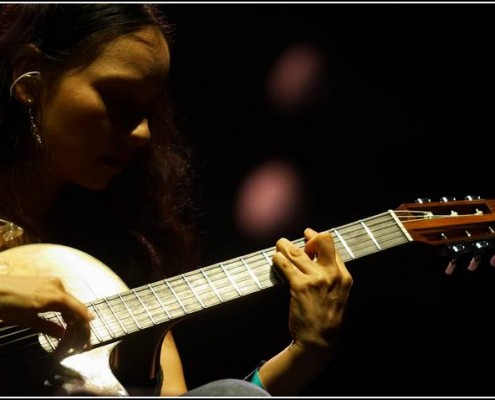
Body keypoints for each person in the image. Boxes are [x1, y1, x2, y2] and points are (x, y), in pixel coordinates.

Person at [0, 4, 353, 396]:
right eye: (118, 100)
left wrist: (305, 353)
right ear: (29, 78)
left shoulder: (119, 268)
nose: (142, 133)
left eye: (147, 110)